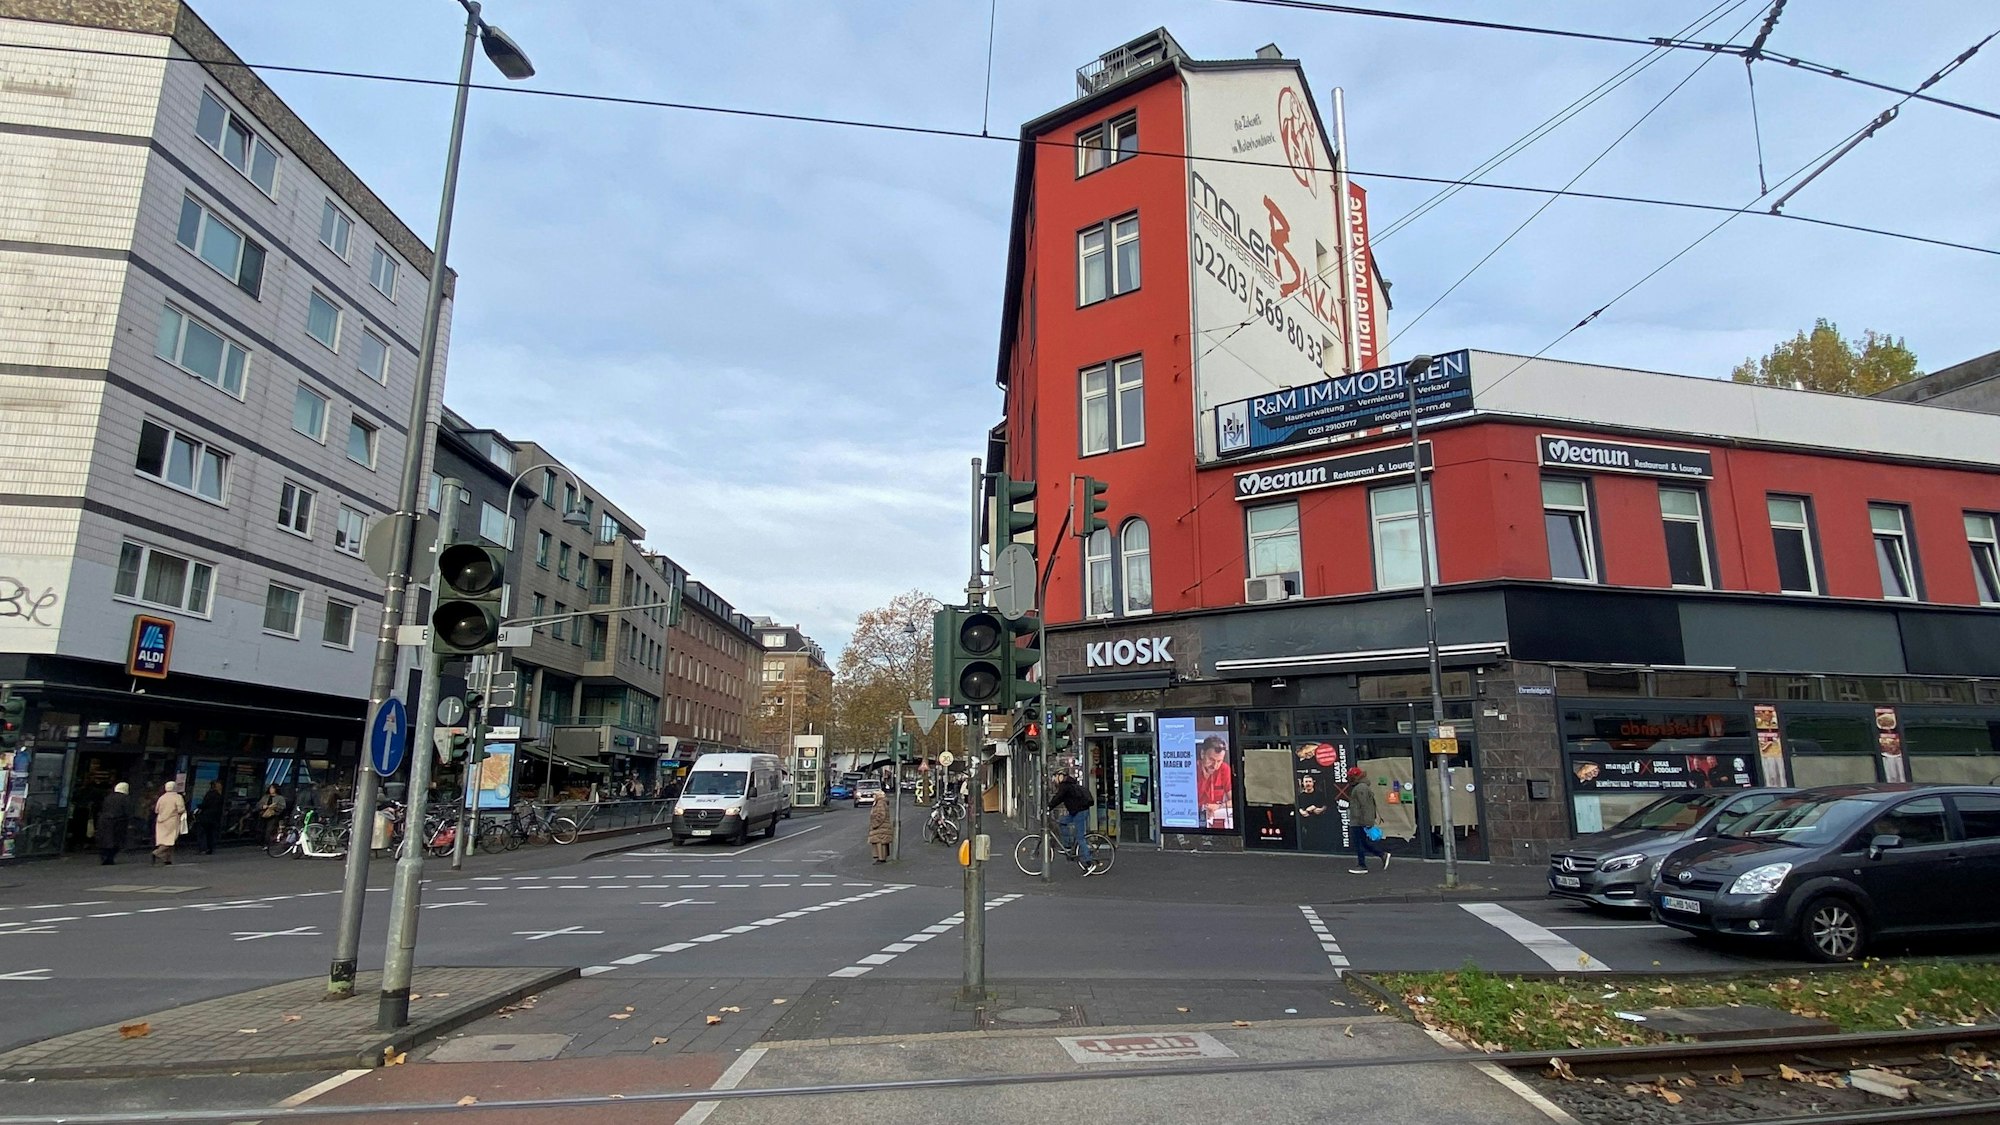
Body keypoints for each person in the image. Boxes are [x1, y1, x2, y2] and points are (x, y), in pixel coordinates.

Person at [1046, 771, 1096, 873]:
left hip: (1080, 812)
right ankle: (1068, 846)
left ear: (1059, 777)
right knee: (1062, 822)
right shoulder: (1068, 784)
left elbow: (1058, 798)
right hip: (1075, 812)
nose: (1054, 781)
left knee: (1080, 837)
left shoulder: (1065, 786)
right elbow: (1059, 798)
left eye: (1054, 778)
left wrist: (1048, 807)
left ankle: (1089, 863)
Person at [1345, 766, 1390, 874]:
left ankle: (1362, 865)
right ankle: (1381, 855)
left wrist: (1367, 822)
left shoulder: (1360, 788)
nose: (1348, 779)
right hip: (1359, 820)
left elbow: (1366, 806)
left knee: (1359, 843)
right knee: (1363, 843)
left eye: (1350, 777)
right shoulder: (1361, 787)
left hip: (1359, 820)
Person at [1196, 736, 1233, 829]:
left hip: (1215, 816)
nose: (1215, 766)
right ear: (1202, 754)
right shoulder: (1191, 770)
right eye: (1211, 760)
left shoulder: (1224, 769)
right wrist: (1203, 809)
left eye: (1219, 761)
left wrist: (1218, 806)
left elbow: (1234, 801)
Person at [96, 782, 133, 865]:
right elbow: (127, 811)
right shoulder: (125, 798)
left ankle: (104, 856)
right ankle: (110, 857)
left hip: (104, 821)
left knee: (105, 840)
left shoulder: (108, 797)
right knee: (116, 840)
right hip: (118, 821)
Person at [153, 781, 187, 865]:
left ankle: (167, 859)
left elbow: (156, 810)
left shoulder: (162, 797)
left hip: (160, 821)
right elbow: (180, 809)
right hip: (172, 820)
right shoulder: (177, 797)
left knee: (163, 839)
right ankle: (157, 852)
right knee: (170, 839)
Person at [194, 781, 225, 855]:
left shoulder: (210, 794)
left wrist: (198, 806)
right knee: (211, 833)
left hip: (206, 816)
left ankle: (203, 848)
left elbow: (205, 804)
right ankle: (210, 848)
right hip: (214, 818)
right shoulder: (219, 796)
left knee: (202, 833)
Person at [866, 785, 893, 863]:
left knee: (880, 842)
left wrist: (875, 824)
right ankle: (881, 857)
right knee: (882, 842)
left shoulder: (880, 803)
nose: (873, 796)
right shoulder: (881, 802)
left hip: (880, 826)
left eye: (874, 795)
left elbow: (881, 815)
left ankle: (881, 858)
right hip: (883, 826)